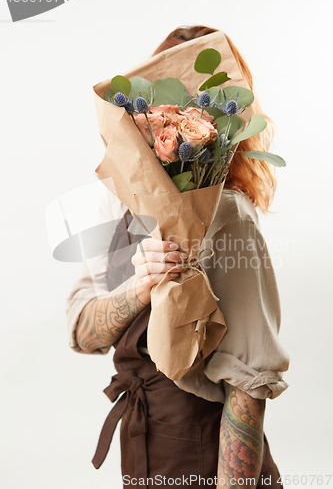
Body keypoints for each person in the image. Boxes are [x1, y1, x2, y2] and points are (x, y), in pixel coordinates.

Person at [66, 26, 290, 489]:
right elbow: (81, 332)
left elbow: (248, 387)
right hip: (143, 444)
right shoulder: (115, 202)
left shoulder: (229, 215)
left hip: (210, 455)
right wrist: (139, 288)